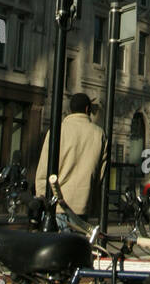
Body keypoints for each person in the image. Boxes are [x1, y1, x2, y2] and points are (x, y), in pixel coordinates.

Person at [34, 93, 105, 225]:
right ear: (87, 109)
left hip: (56, 204)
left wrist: (41, 197)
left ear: (71, 110)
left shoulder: (57, 130)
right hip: (82, 206)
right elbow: (100, 174)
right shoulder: (99, 134)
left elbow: (44, 169)